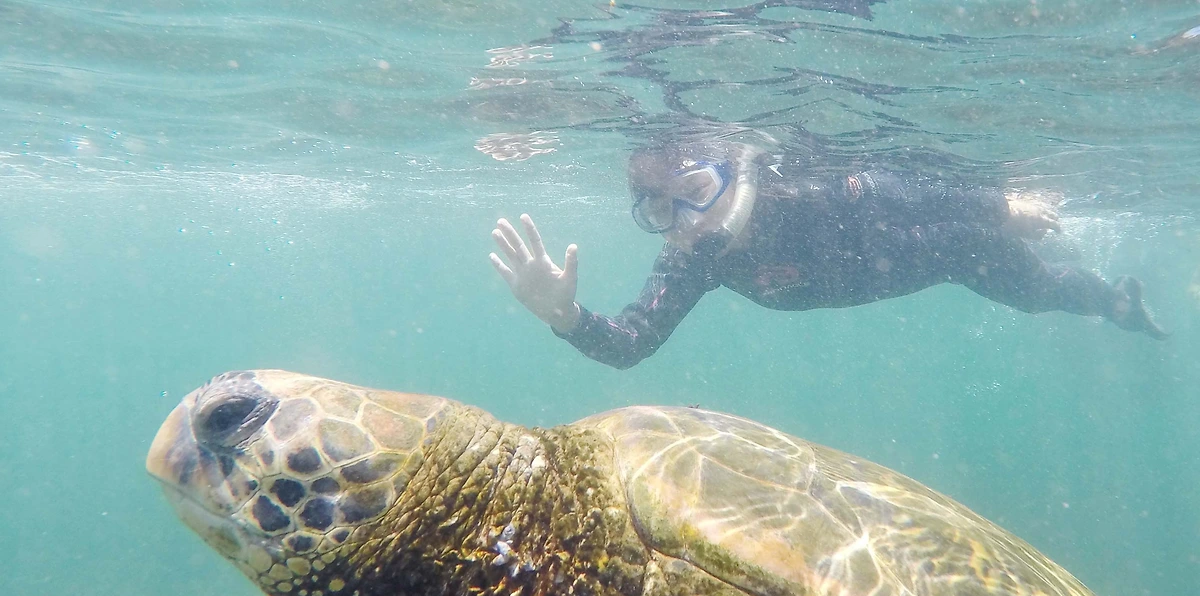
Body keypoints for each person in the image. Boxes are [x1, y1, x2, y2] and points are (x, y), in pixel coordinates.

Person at [489, 140, 1167, 369]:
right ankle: (1117, 303)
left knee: (1038, 291)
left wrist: (1001, 207)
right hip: (916, 265)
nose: (688, 223)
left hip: (953, 245)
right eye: (660, 211)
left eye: (695, 193)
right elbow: (632, 342)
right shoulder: (692, 259)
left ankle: (1115, 302)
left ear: (738, 172)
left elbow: (906, 191)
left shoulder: (809, 191)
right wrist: (566, 317)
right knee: (1036, 291)